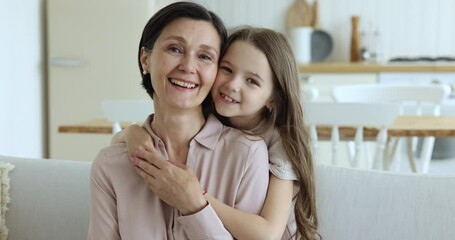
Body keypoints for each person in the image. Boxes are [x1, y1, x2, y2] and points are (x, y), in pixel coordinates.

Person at [87, 2, 270, 239]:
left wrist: (193, 206)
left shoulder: (247, 155)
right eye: (174, 49)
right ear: (145, 59)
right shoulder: (111, 165)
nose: (188, 67)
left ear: (215, 71)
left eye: (205, 56)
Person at [119, 27, 321, 239]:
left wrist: (194, 198)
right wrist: (133, 132)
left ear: (273, 99)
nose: (232, 84)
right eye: (227, 69)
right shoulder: (208, 118)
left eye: (252, 81)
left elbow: (267, 234)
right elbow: (121, 139)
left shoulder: (279, 142)